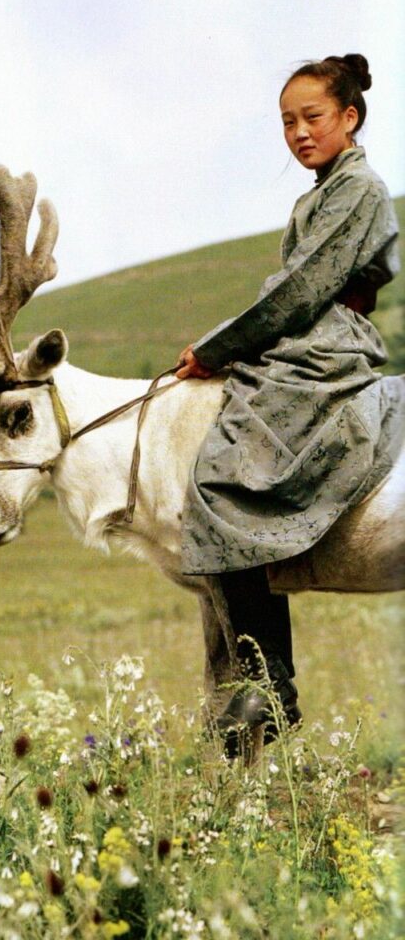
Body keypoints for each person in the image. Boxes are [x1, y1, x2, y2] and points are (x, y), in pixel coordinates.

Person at [175, 53, 403, 753]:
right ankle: (251, 688)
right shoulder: (321, 192)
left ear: (349, 117)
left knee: (220, 480)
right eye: (287, 122)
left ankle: (269, 689)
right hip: (304, 340)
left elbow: (301, 292)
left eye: (313, 117)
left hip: (324, 349)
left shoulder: (358, 188)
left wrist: (218, 348)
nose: (299, 132)